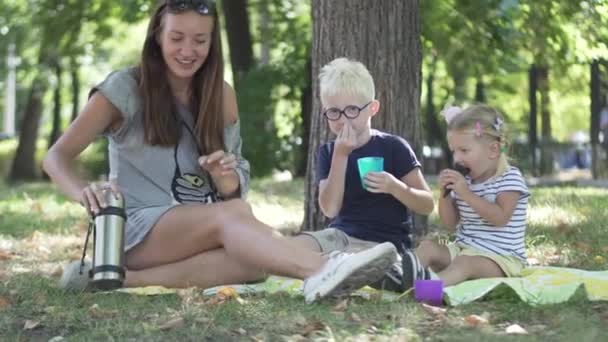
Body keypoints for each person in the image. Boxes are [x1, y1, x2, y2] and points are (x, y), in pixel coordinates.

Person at [42, 0, 398, 303]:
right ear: (157, 39)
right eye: (177, 38)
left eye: (200, 40)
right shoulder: (124, 88)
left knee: (254, 262)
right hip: (133, 229)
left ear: (212, 44)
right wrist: (84, 193)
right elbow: (56, 157)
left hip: (197, 227)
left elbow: (235, 181)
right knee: (235, 214)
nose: (187, 51)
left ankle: (120, 280)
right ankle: (321, 270)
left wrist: (226, 179)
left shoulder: (220, 95)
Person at [290, 58, 435, 292]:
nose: (343, 119)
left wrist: (395, 187)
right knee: (290, 249)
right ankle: (339, 269)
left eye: (352, 110)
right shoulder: (328, 152)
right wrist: (340, 156)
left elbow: (427, 205)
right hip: (341, 237)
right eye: (334, 112)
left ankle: (358, 272)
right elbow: (329, 209)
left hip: (386, 245)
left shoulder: (394, 147)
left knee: (363, 261)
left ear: (372, 108)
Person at [400, 104, 530, 288]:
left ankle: (428, 290)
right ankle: (400, 279)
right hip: (463, 250)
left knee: (464, 263)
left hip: (501, 260)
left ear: (493, 150)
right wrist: (444, 195)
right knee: (428, 247)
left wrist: (466, 194)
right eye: (454, 151)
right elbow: (450, 223)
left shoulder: (509, 178)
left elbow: (500, 218)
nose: (457, 158)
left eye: (464, 150)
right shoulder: (465, 181)